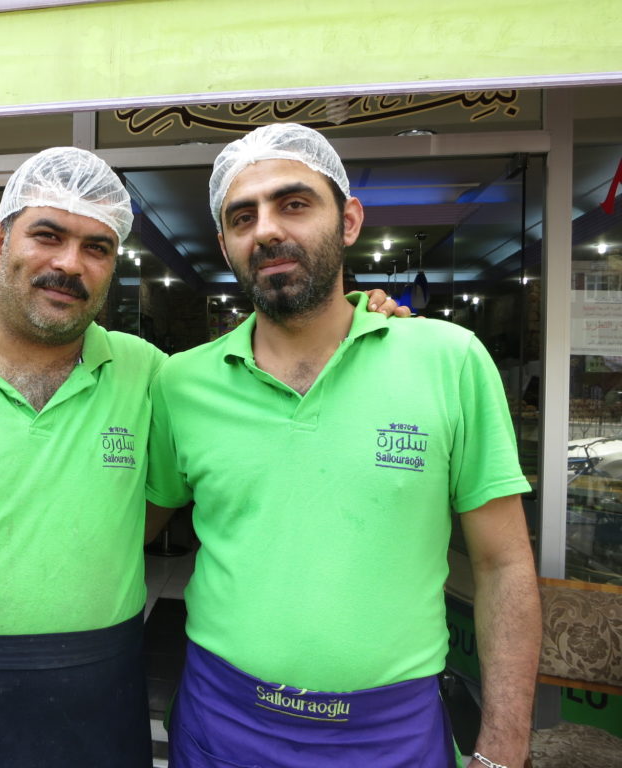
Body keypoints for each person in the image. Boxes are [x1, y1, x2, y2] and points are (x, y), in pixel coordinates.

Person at [0, 145, 404, 768]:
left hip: (102, 695)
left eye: (96, 247)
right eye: (48, 236)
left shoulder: (151, 376)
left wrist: (363, 319)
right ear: (0, 243)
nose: (69, 264)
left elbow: (181, 480)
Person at [145, 123, 541, 768]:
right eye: (242, 217)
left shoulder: (446, 360)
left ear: (349, 220)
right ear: (225, 245)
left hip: (389, 732)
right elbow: (133, 522)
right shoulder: (181, 381)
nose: (268, 229)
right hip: (222, 718)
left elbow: (503, 566)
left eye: (294, 203)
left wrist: (501, 748)